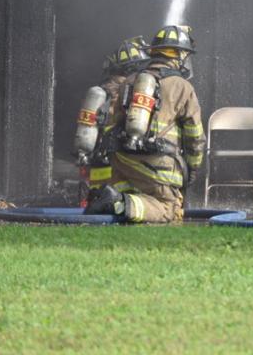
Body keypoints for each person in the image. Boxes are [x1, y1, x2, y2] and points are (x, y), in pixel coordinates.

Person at [87, 24, 205, 223]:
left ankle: (113, 198)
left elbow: (112, 123)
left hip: (121, 162)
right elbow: (195, 136)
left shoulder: (129, 81)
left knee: (135, 196)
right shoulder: (182, 86)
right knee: (170, 209)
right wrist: (192, 168)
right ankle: (120, 203)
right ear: (177, 56)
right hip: (156, 162)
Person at [75, 37, 151, 203]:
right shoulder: (137, 92)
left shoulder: (99, 94)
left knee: (94, 211)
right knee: (127, 209)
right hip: (125, 164)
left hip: (97, 167)